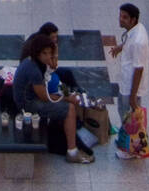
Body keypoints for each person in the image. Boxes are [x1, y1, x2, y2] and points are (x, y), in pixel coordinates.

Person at [12, 35, 95, 164]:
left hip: (29, 97)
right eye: (44, 53)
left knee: (67, 97)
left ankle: (71, 132)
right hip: (27, 105)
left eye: (49, 53)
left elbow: (53, 67)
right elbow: (45, 97)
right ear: (37, 53)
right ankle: (72, 152)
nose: (48, 57)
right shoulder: (33, 70)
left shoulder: (33, 60)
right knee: (69, 109)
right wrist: (66, 99)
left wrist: (53, 54)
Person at [109, 3, 149, 156]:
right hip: (125, 82)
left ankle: (131, 150)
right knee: (123, 111)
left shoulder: (139, 40)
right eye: (120, 16)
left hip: (132, 86)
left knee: (130, 116)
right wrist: (120, 47)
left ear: (133, 19)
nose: (120, 19)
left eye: (125, 17)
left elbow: (139, 69)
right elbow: (128, 43)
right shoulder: (134, 30)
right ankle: (125, 140)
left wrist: (133, 96)